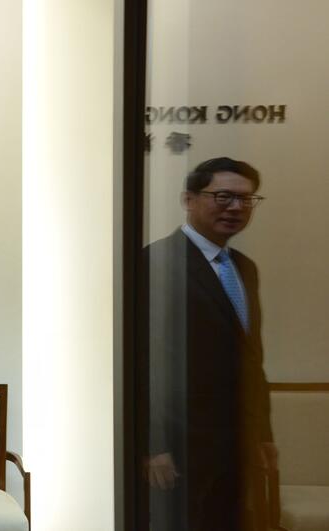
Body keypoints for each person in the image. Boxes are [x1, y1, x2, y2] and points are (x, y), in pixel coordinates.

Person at [140, 157, 277, 531]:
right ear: (188, 199)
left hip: (237, 445)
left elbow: (252, 359)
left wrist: (262, 434)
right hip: (180, 446)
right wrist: (151, 445)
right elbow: (143, 360)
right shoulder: (157, 261)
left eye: (246, 199)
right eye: (223, 196)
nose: (235, 207)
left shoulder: (244, 267)